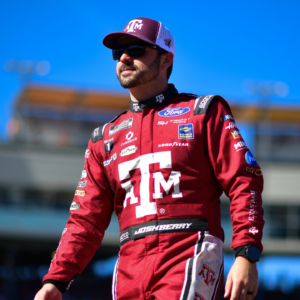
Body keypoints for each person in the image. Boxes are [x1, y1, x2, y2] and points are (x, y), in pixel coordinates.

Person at [34, 17, 264, 300]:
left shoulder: (203, 111)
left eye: (137, 49)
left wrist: (246, 253)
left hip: (189, 251)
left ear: (167, 59)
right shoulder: (103, 139)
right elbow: (85, 220)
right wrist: (55, 280)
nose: (125, 58)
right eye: (118, 53)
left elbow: (244, 180)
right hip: (129, 266)